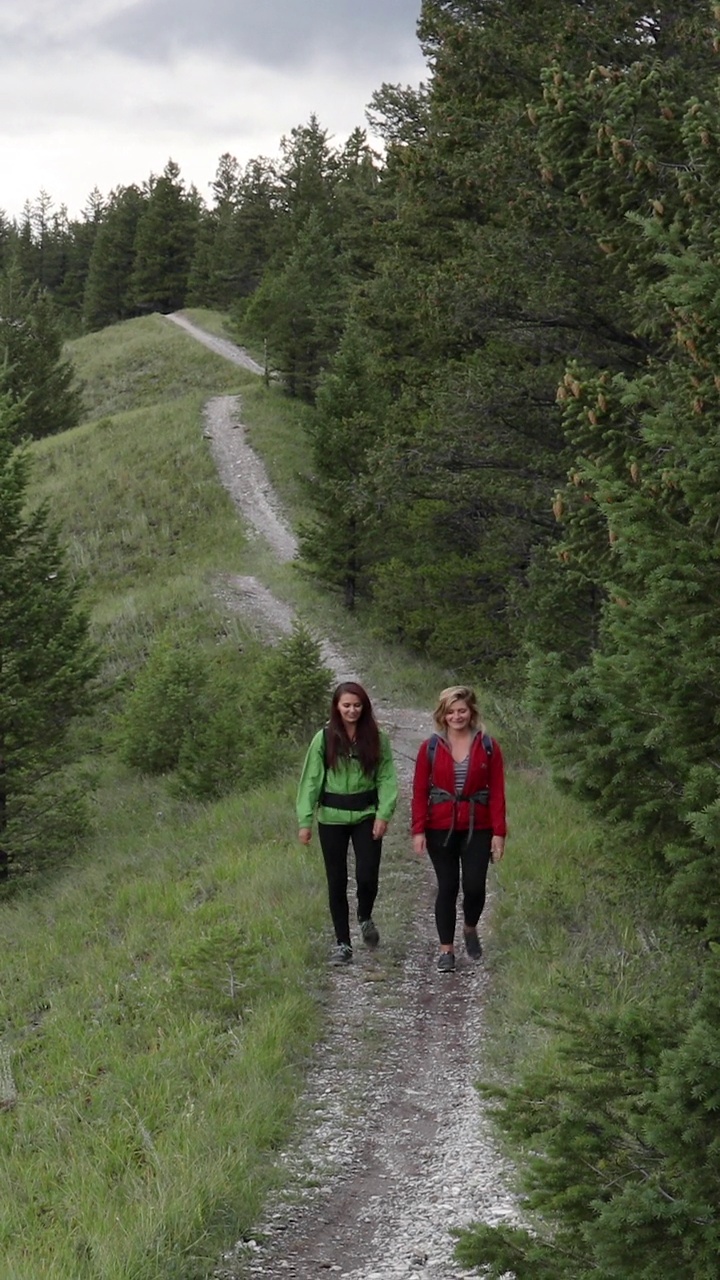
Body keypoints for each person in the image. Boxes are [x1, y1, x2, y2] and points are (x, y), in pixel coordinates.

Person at [297, 681, 399, 965]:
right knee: (337, 880)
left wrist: (383, 814)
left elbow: (387, 778)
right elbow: (310, 781)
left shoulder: (378, 738)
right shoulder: (324, 738)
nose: (352, 710)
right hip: (331, 818)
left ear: (364, 706)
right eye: (346, 706)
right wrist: (305, 821)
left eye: (357, 705)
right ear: (337, 708)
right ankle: (343, 943)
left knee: (367, 876)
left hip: (366, 815)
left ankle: (365, 916)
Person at [411, 685, 506, 973]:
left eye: (461, 710)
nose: (456, 716)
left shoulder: (488, 746)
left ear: (471, 711)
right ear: (442, 714)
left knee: (475, 887)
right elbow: (418, 791)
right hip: (440, 826)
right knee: (448, 887)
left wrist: (499, 833)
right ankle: (446, 951)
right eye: (450, 711)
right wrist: (418, 830)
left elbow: (498, 792)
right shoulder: (429, 747)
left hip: (479, 825)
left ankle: (469, 927)